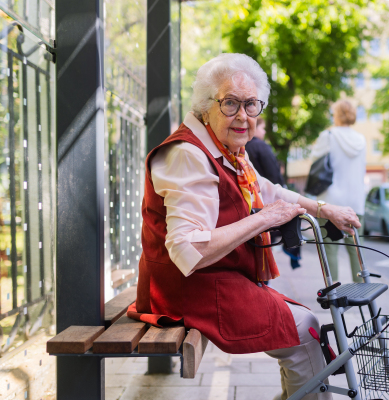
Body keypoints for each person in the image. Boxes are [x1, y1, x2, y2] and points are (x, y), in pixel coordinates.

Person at [127, 53, 360, 400]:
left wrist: (325, 209)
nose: (242, 116)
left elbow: (266, 189)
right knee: (304, 330)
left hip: (215, 277)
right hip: (186, 289)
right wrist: (263, 219)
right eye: (231, 103)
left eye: (251, 105)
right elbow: (187, 250)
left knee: (305, 321)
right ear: (207, 105)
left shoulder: (226, 148)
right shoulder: (187, 155)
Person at [310, 100, 367, 284]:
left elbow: (314, 161)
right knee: (357, 250)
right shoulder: (362, 140)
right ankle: (361, 295)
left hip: (330, 204)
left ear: (336, 114)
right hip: (356, 203)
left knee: (330, 249)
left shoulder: (327, 136)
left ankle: (333, 296)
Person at [246, 117, 302, 271]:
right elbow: (273, 175)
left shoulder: (240, 147)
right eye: (263, 129)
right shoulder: (261, 147)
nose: (264, 132)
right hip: (265, 202)